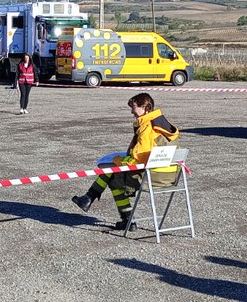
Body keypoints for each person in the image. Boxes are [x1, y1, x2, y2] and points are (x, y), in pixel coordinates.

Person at [71, 92, 179, 230]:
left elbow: (138, 159)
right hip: (171, 176)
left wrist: (117, 161)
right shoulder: (165, 124)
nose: (132, 111)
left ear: (145, 107)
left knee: (112, 178)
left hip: (152, 177)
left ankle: (126, 219)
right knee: (112, 173)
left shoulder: (147, 127)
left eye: (134, 107)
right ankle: (89, 198)